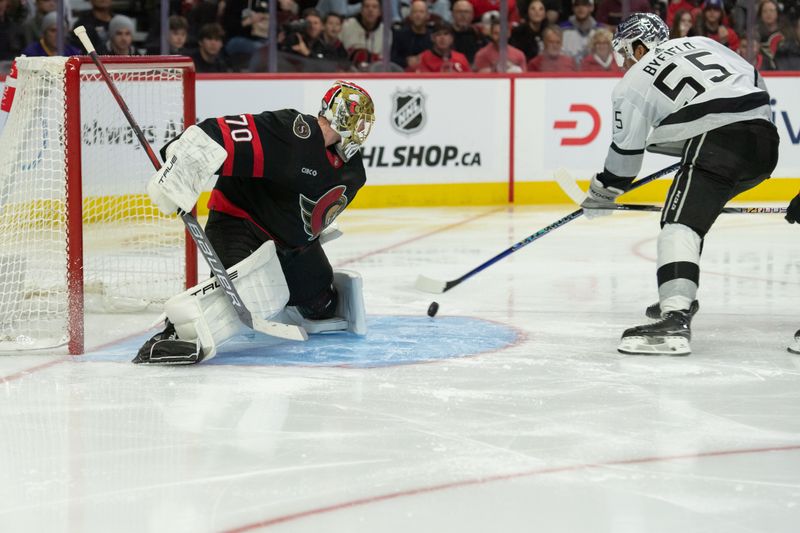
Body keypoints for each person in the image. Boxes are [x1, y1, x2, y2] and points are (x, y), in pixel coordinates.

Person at [135, 81, 375, 365]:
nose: (361, 132)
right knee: (248, 300)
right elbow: (219, 134)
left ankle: (292, 299)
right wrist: (180, 168)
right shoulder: (294, 133)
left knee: (323, 306)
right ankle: (177, 334)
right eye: (359, 122)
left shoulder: (352, 174)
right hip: (238, 224)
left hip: (289, 245)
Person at [580, 13, 779, 355]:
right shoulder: (705, 43)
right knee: (693, 217)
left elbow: (625, 159)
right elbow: (755, 83)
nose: (626, 61)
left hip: (718, 142)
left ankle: (675, 317)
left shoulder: (631, 83)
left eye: (627, 52)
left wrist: (604, 190)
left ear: (640, 46)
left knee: (678, 225)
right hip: (764, 141)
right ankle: (679, 290)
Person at [340, 0, 390, 69]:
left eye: (374, 7)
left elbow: (384, 60)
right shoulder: (347, 26)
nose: (370, 10)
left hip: (375, 73)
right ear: (361, 10)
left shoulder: (386, 32)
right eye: (367, 6)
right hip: (348, 72)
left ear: (380, 12)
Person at [391, 0, 433, 69]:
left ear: (427, 16)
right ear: (410, 16)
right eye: (415, 12)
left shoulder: (433, 38)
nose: (418, 15)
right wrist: (406, 61)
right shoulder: (399, 35)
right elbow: (392, 59)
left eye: (421, 12)